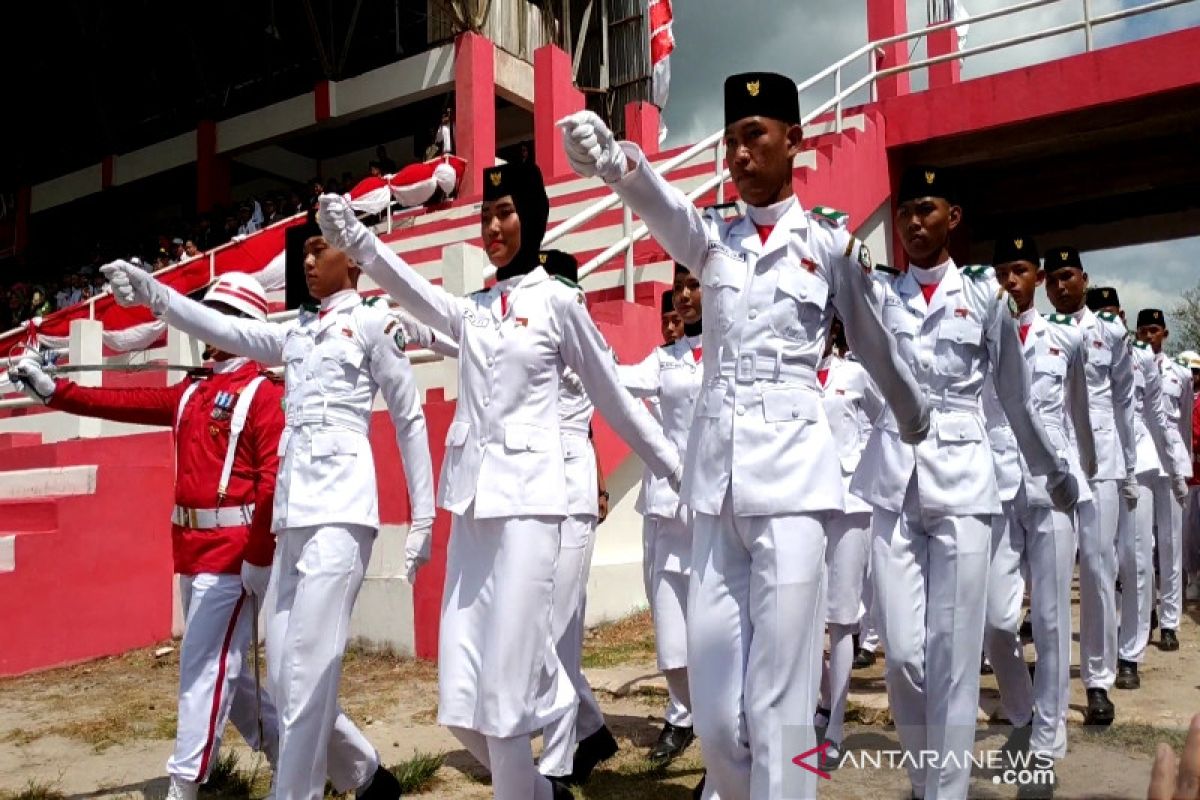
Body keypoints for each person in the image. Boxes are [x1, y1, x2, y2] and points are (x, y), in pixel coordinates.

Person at [559, 72, 929, 800]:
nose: (738, 153)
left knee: (782, 704)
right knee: (721, 718)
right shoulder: (714, 238)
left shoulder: (827, 244)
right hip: (718, 492)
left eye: (754, 135)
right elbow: (664, 210)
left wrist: (915, 417)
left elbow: (875, 343)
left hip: (793, 489)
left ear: (794, 140)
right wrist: (616, 164)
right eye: (730, 140)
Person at [316, 162, 681, 800]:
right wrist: (362, 245)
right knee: (462, 703)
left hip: (534, 512)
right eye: (486, 214)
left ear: (532, 218)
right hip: (475, 511)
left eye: (506, 212)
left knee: (508, 700)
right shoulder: (481, 309)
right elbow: (420, 297)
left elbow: (617, 399)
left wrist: (678, 467)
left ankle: (544, 773)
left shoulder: (559, 304)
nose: (492, 225)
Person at [100, 237, 438, 800]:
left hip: (341, 517)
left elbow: (409, 417)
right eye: (302, 252)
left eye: (317, 249)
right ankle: (366, 778)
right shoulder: (295, 333)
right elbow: (228, 330)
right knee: (284, 682)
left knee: (305, 685)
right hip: (291, 523)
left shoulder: (376, 322)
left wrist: (422, 518)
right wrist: (157, 297)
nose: (305, 261)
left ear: (352, 259)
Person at [8, 273, 284, 800]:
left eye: (218, 314)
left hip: (232, 557)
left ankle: (184, 782)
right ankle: (288, 750)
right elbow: (129, 402)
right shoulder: (194, 389)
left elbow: (273, 481)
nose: (206, 328)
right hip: (193, 551)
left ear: (243, 325)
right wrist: (56, 392)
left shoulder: (262, 393)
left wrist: (258, 556)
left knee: (203, 668)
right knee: (229, 671)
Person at [851, 170, 1077, 800]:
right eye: (905, 214)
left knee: (953, 656)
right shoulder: (879, 293)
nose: (913, 222)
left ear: (953, 217)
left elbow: (1013, 397)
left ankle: (940, 792)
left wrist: (1052, 470)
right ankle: (926, 774)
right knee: (903, 655)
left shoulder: (984, 298)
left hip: (965, 481)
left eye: (927, 210)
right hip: (894, 477)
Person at [983, 235, 1096, 784]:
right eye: (1002, 270)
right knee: (995, 619)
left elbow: (1079, 415)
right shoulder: (981, 340)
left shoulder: (1064, 341)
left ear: (1037, 280)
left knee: (1050, 619)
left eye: (1020, 270)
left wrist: (1083, 479)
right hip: (998, 487)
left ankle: (1048, 733)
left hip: (1051, 489)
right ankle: (1022, 706)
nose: (1010, 280)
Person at [534, 249, 619, 788]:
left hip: (569, 491)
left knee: (557, 629)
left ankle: (556, 765)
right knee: (540, 625)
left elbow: (588, 412)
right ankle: (590, 728)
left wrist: (597, 483)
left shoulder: (580, 328)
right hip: (538, 487)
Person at [1042, 254, 1137, 727]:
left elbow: (1124, 401)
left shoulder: (1111, 333)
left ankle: (1098, 679)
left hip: (1101, 461)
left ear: (1084, 280)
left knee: (1098, 569)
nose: (1060, 286)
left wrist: (1132, 468)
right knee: (1053, 574)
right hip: (1056, 461)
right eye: (1053, 279)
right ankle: (1053, 681)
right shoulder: (1039, 333)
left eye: (1068, 277)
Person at [616, 266, 704, 767]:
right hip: (672, 518)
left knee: (719, 644)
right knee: (673, 647)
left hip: (719, 518)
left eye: (695, 286)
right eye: (679, 288)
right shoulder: (663, 359)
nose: (686, 297)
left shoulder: (731, 348)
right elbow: (619, 379)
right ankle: (692, 718)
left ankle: (726, 748)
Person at [1085, 291, 1186, 691]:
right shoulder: (1081, 346)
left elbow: (1159, 418)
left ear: (1121, 316)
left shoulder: (1141, 355)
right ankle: (1103, 653)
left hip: (1139, 465)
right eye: (1099, 315)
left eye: (1111, 315)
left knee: (1136, 560)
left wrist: (1177, 469)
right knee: (1098, 564)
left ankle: (1130, 653)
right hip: (1094, 463)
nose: (1106, 322)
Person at [813, 317, 885, 767]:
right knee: (798, 618)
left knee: (841, 620)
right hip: (802, 504)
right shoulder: (794, 376)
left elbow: (885, 423)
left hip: (850, 506)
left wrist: (867, 475)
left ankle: (835, 725)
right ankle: (818, 705)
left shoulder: (854, 374)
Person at [1136, 308, 1194, 650]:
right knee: (1143, 545)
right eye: (1143, 331)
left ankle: (1170, 621)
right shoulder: (1130, 366)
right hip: (1144, 458)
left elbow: (1183, 420)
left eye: (1154, 330)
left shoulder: (1181, 375)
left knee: (1172, 543)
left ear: (1165, 334)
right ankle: (1146, 616)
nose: (1148, 336)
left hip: (1172, 460)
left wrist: (1181, 464)